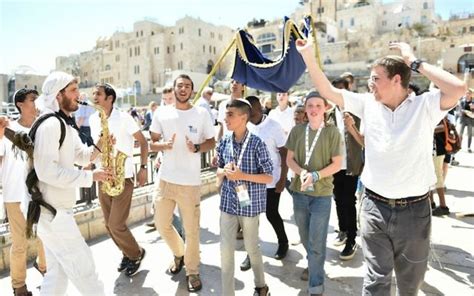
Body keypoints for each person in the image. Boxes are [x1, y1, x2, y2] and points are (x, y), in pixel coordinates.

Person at [296, 38, 466, 294]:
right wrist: (308, 56)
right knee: (375, 283)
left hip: (415, 212)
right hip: (374, 208)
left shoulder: (424, 106)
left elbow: (458, 89)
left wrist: (412, 61)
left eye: (376, 78)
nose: (370, 83)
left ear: (397, 79)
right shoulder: (367, 104)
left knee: (409, 285)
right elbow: (328, 91)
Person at [25, 71, 111, 295]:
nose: (79, 95)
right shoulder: (51, 125)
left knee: (57, 275)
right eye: (73, 90)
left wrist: (100, 146)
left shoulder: (63, 123)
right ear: (57, 94)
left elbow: (81, 157)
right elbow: (47, 172)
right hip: (53, 213)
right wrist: (90, 177)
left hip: (54, 212)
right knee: (85, 269)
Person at [149, 74, 215, 292]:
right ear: (174, 89)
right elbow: (153, 142)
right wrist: (163, 145)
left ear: (192, 90)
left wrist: (196, 148)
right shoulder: (162, 112)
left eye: (187, 86)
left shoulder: (202, 113)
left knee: (192, 230)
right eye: (180, 86)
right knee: (161, 224)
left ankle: (192, 271)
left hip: (189, 182)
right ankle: (179, 253)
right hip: (165, 180)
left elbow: (212, 141)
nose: (183, 89)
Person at [285, 91, 342, 295]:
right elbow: (289, 160)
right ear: (305, 109)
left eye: (318, 105)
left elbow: (337, 164)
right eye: (310, 105)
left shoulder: (332, 132)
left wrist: (316, 176)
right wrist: (302, 173)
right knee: (305, 236)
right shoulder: (297, 131)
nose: (314, 109)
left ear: (325, 108)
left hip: (322, 195)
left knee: (316, 242)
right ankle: (315, 265)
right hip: (299, 193)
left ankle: (315, 286)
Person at [89, 83, 148, 277]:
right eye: (93, 94)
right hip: (104, 176)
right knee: (108, 225)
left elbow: (143, 141)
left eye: (98, 94)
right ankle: (128, 253)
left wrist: (143, 168)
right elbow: (96, 150)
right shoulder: (92, 119)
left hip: (124, 176)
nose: (94, 97)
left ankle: (136, 253)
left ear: (110, 98)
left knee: (116, 224)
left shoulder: (124, 118)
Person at [216, 99, 273, 296]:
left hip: (249, 206)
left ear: (243, 117)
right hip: (227, 203)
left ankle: (261, 285)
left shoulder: (257, 143)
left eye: (230, 114)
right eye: (226, 114)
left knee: (251, 247)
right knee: (225, 251)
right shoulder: (224, 141)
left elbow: (268, 176)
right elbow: (218, 169)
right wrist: (222, 171)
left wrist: (242, 176)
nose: (226, 118)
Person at [0, 88, 46, 296]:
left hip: (40, 193)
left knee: (47, 237)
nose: (36, 103)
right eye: (32, 100)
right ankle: (19, 287)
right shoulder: (6, 129)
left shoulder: (43, 128)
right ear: (20, 104)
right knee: (19, 244)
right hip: (15, 195)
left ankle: (45, 268)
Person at [238, 96, 288, 272]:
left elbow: (284, 153)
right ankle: (250, 253)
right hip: (246, 182)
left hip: (271, 181)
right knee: (249, 219)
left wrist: (282, 179)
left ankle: (283, 243)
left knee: (272, 214)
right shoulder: (244, 127)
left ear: (259, 108)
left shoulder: (273, 126)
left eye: (251, 110)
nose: (249, 114)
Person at [327, 78, 364, 261]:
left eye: (342, 91)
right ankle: (342, 230)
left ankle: (352, 237)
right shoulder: (330, 115)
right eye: (336, 91)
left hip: (351, 164)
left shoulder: (356, 113)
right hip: (334, 166)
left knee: (349, 200)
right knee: (338, 199)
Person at [459, 88, 473, 153]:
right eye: (467, 93)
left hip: (470, 120)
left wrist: (472, 109)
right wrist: (463, 111)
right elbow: (460, 110)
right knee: (460, 134)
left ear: (471, 95)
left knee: (469, 134)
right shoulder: (462, 101)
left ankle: (469, 147)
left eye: (469, 93)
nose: (467, 94)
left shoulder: (473, 102)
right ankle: (459, 146)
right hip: (463, 119)